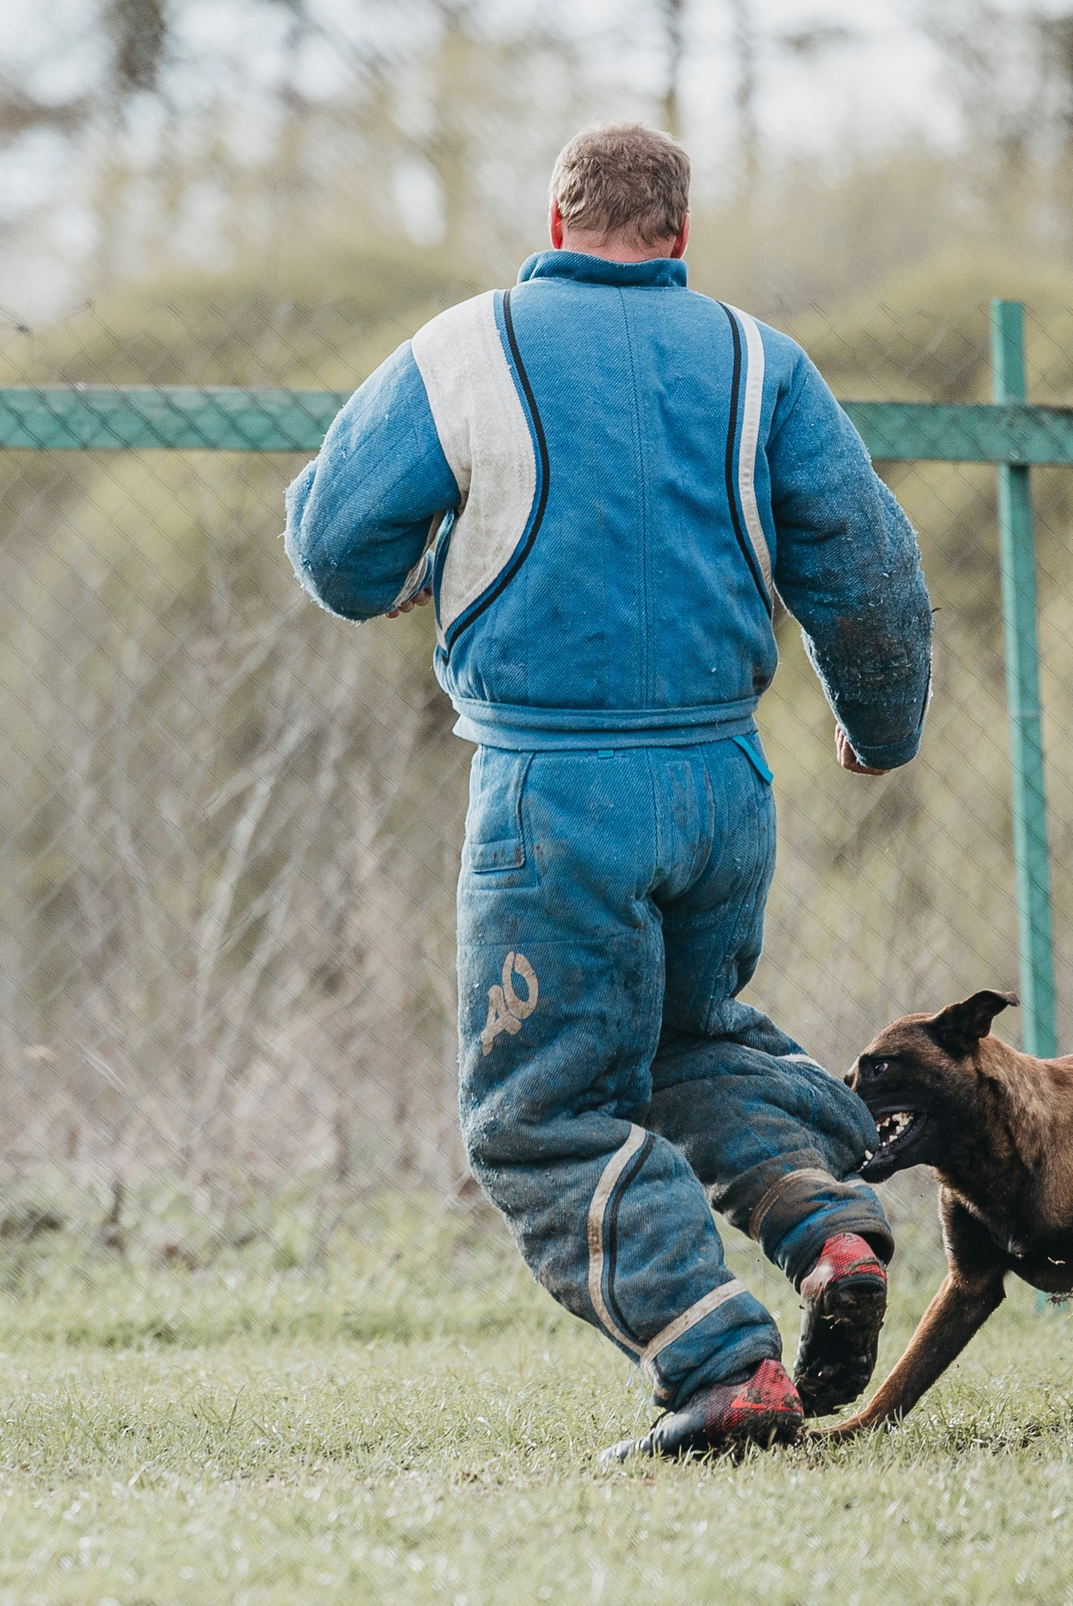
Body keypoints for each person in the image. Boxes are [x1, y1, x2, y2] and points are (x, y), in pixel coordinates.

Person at [284, 122, 933, 1461]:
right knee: (686, 1042)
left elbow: (336, 546)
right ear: (680, 233)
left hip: (556, 800)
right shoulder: (763, 362)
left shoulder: (468, 348)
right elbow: (869, 571)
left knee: (540, 1116)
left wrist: (414, 572)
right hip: (723, 789)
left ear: (554, 220)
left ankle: (720, 1362)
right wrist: (878, 728)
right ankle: (829, 1226)